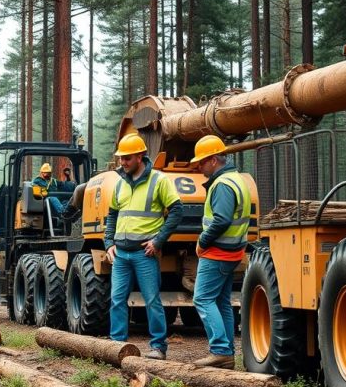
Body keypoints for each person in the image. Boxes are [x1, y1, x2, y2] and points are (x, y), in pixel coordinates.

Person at [104, 133, 184, 360]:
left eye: (127, 158)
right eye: (121, 158)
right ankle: (116, 346)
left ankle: (158, 347)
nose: (123, 162)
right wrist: (109, 242)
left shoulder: (159, 180)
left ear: (140, 156)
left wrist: (158, 241)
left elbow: (177, 210)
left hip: (144, 254)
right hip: (121, 254)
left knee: (152, 301)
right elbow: (112, 215)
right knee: (117, 300)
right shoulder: (120, 183)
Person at [190, 135, 249, 369]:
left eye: (201, 162)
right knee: (222, 302)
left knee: (202, 298)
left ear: (214, 160)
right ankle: (228, 353)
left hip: (218, 251)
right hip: (232, 251)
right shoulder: (236, 179)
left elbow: (222, 219)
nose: (198, 166)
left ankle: (220, 351)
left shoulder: (223, 185)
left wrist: (202, 241)